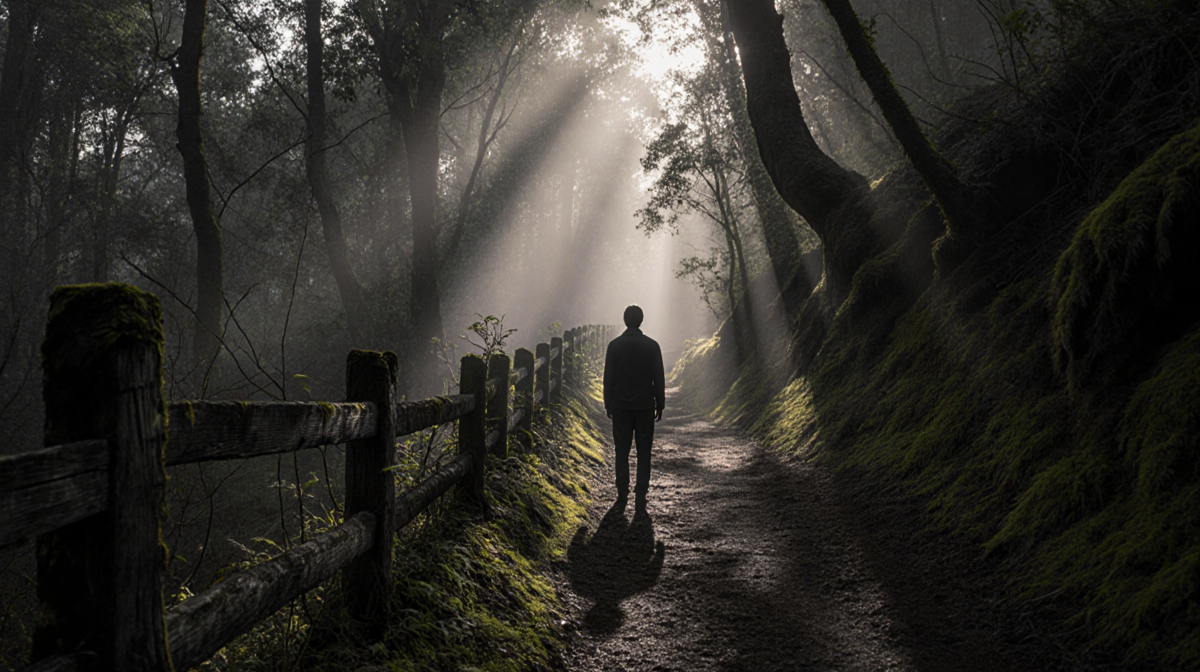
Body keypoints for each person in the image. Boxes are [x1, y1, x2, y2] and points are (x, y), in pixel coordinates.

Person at [603, 304, 665, 512]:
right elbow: (659, 377)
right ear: (641, 320)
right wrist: (660, 403)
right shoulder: (652, 346)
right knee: (644, 450)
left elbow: (608, 378)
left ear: (625, 320)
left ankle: (622, 491)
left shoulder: (614, 346)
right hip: (646, 405)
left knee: (621, 449)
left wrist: (608, 402)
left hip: (621, 404)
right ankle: (641, 490)